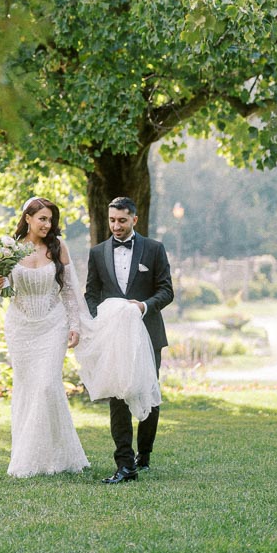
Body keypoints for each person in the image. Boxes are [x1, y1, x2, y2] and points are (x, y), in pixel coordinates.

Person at [0, 196, 89, 476]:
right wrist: (0, 282)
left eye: (50, 220)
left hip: (52, 325)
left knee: (48, 385)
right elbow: (8, 295)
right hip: (21, 327)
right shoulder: (9, 250)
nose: (48, 224)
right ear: (28, 218)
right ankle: (31, 456)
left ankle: (55, 457)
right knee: (28, 387)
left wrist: (75, 325)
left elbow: (70, 291)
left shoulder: (58, 248)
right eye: (42, 219)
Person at [84, 196, 174, 483]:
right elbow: (91, 293)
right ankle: (124, 463)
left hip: (148, 333)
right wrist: (100, 319)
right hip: (112, 336)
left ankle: (143, 455)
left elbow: (166, 290)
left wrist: (143, 306)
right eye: (112, 220)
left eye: (122, 220)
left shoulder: (154, 249)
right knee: (117, 395)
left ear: (134, 219)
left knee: (148, 391)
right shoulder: (97, 253)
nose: (116, 226)